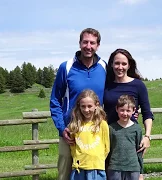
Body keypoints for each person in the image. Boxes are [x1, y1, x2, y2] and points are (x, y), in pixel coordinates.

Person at [50, 28, 107, 180]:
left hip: (95, 131)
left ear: (98, 45)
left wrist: (132, 110)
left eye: (92, 43)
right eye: (85, 42)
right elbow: (55, 99)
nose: (88, 46)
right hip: (71, 132)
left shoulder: (104, 66)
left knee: (96, 174)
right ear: (79, 43)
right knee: (65, 174)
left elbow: (113, 95)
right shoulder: (66, 67)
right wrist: (62, 128)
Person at [104, 48, 154, 179]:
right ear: (111, 64)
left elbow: (147, 113)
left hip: (130, 137)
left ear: (129, 65)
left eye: (124, 64)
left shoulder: (138, 85)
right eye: (116, 63)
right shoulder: (106, 85)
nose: (120, 67)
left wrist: (147, 136)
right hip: (110, 137)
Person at [68, 89, 110, 180]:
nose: (86, 110)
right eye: (83, 106)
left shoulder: (102, 124)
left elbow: (107, 147)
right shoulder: (74, 125)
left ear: (96, 105)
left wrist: (98, 159)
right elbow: (73, 147)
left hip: (96, 167)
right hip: (79, 168)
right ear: (79, 106)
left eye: (89, 106)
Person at [107, 95, 143, 180]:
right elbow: (108, 149)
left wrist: (141, 172)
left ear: (134, 110)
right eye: (122, 110)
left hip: (133, 168)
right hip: (115, 168)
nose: (125, 113)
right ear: (117, 109)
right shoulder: (111, 128)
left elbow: (139, 151)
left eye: (128, 110)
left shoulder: (137, 128)